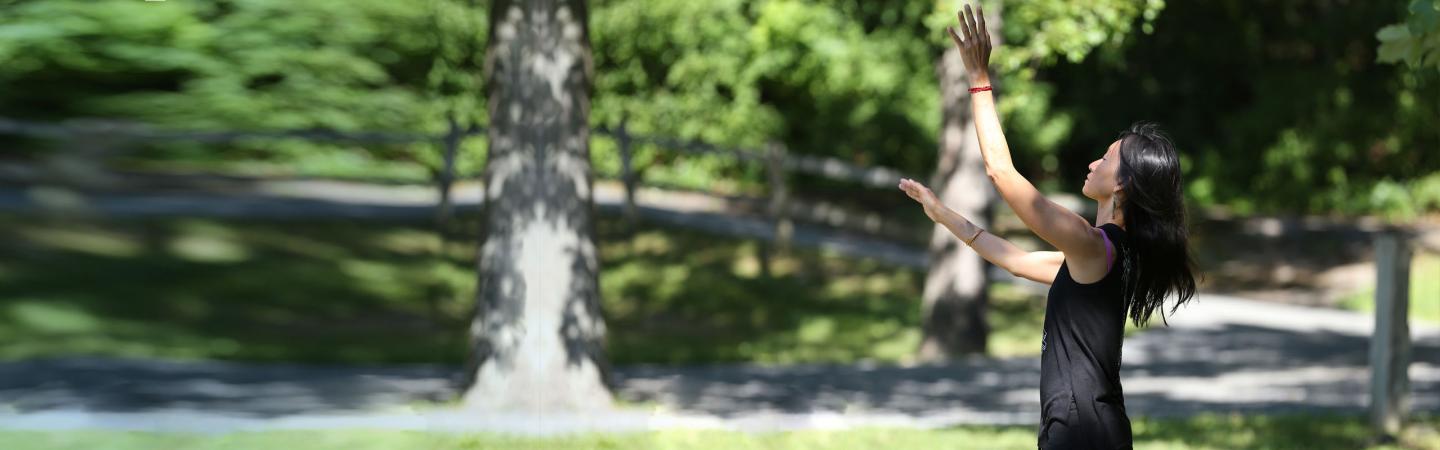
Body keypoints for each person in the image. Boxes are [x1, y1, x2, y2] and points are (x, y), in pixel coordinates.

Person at [897, 4, 1200, 449]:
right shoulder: (1103, 255)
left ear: (1123, 186)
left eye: (1108, 158)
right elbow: (1017, 261)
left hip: (1080, 430)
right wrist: (943, 215)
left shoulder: (1091, 246)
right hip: (1092, 427)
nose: (1095, 161)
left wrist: (979, 78)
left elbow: (1001, 172)